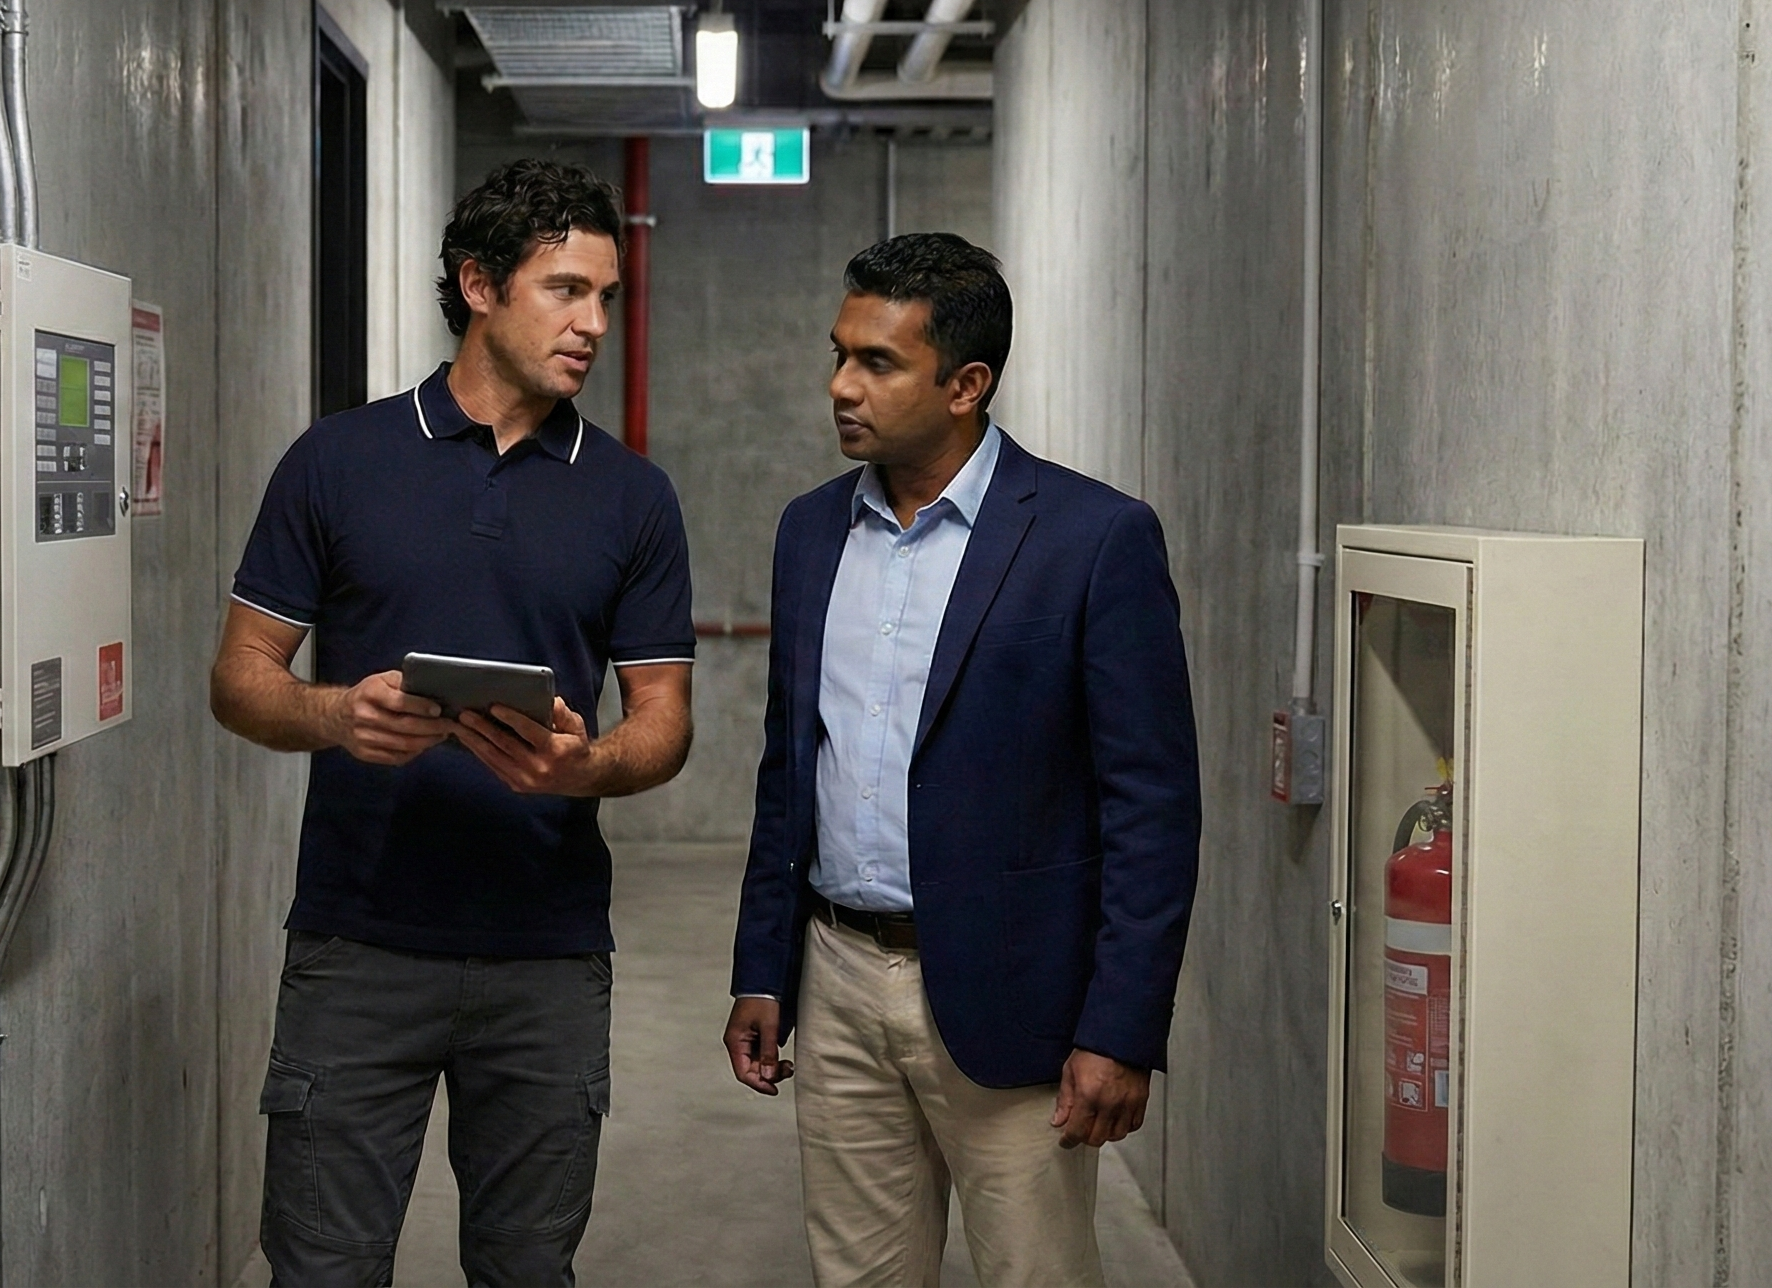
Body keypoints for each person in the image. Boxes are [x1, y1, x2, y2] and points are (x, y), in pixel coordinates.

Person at [211, 159, 696, 1285]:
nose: (593, 324)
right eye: (564, 289)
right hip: (358, 944)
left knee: (528, 1270)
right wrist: (337, 714)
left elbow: (664, 719)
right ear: (478, 285)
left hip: (548, 953)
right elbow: (240, 676)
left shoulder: (633, 499)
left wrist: (584, 766)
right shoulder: (337, 461)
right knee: (324, 1268)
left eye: (606, 298)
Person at [720, 233, 1201, 1287]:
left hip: (1012, 990)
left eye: (877, 363)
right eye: (839, 353)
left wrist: (1121, 1029)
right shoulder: (811, 533)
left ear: (966, 385)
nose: (841, 386)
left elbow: (1152, 808)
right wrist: (764, 966)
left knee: (1034, 1272)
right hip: (838, 976)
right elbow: (787, 770)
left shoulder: (1093, 539)